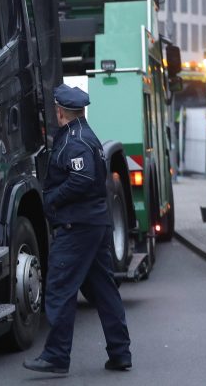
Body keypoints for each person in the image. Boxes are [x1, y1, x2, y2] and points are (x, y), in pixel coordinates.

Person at [23, 84, 132, 375]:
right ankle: (120, 353)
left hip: (77, 227)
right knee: (104, 291)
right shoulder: (87, 135)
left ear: (60, 112)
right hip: (94, 224)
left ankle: (57, 356)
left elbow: (82, 178)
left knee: (59, 288)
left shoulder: (76, 140)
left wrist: (52, 199)